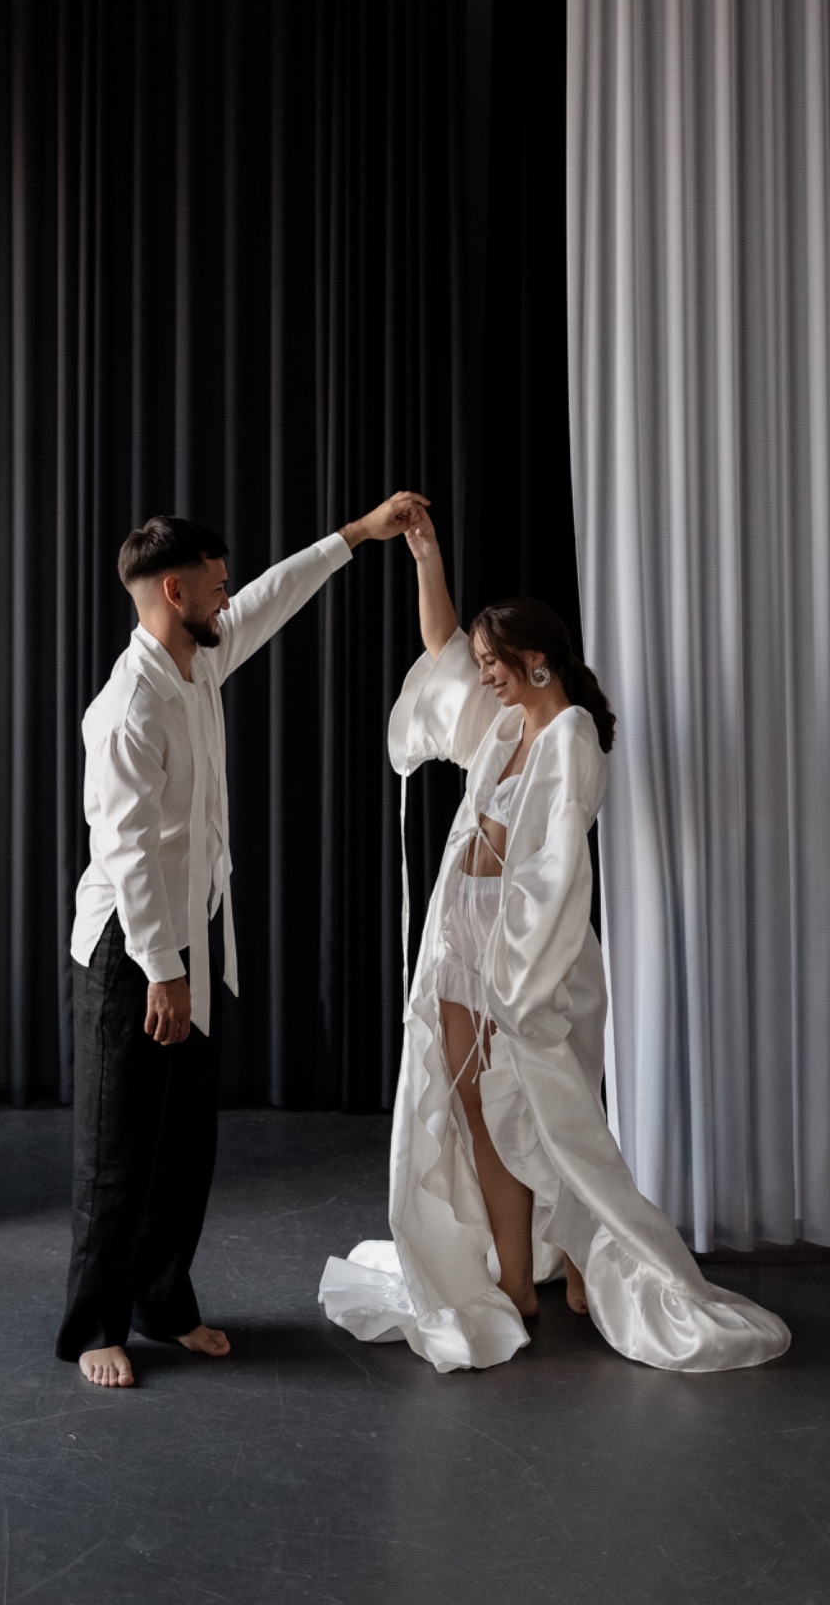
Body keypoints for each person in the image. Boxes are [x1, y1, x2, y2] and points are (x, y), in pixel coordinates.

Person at [321, 498, 791, 1373]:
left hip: (526, 954)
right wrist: (425, 556)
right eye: (484, 666)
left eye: (497, 663)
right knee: (473, 1104)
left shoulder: (570, 735)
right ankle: (515, 1276)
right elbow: (441, 650)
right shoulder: (503, 724)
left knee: (548, 1111)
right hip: (460, 933)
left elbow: (556, 871)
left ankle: (584, 1258)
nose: (484, 675)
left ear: (536, 659)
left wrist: (519, 976)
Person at [58, 495, 415, 1388]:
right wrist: (163, 972)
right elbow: (128, 852)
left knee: (185, 1144)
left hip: (191, 933)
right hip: (132, 950)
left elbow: (271, 598)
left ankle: (162, 1302)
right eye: (215, 587)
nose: (229, 598)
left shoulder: (200, 658)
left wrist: (356, 536)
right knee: (117, 1148)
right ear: (173, 593)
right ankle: (96, 1327)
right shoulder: (127, 706)